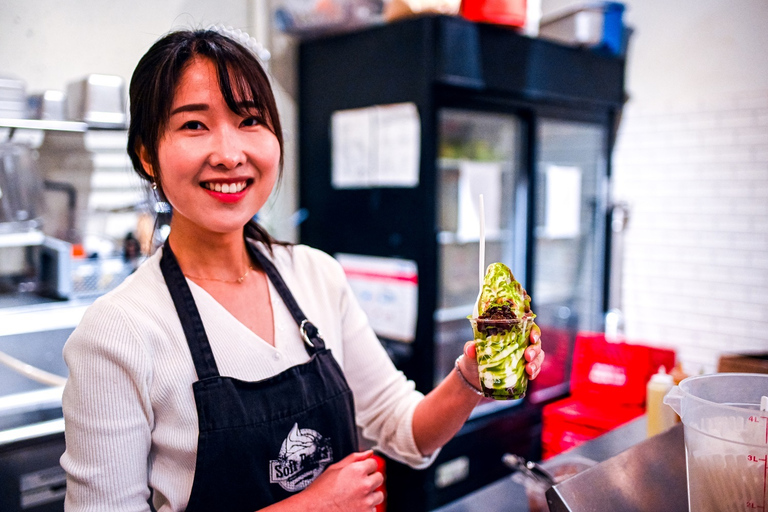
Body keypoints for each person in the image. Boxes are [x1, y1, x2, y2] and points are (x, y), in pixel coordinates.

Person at [60, 28, 545, 512]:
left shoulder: (315, 275)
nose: (230, 154)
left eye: (250, 120)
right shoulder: (118, 332)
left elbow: (404, 428)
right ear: (147, 154)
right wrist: (312, 507)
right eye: (194, 125)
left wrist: (470, 377)